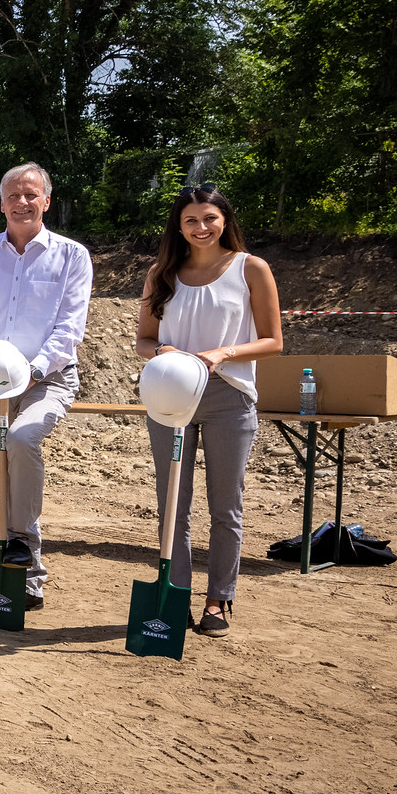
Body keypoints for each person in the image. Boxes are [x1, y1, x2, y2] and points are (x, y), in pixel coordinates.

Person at [134, 183, 283, 638]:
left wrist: (223, 353)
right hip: (170, 395)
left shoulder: (250, 268)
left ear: (225, 221)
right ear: (178, 227)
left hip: (228, 396)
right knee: (172, 502)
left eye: (209, 219)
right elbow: (143, 339)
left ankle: (219, 599)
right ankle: (174, 593)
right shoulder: (162, 272)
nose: (201, 228)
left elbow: (274, 342)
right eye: (190, 221)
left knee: (225, 505)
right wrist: (163, 350)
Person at [0, 162, 93, 610]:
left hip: (47, 378)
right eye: (13, 195)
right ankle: (24, 575)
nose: (22, 202)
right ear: (2, 202)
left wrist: (34, 368)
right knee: (4, 474)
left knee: (25, 437)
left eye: (31, 195)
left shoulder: (71, 256)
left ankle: (25, 555)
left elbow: (70, 327)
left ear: (46, 201)